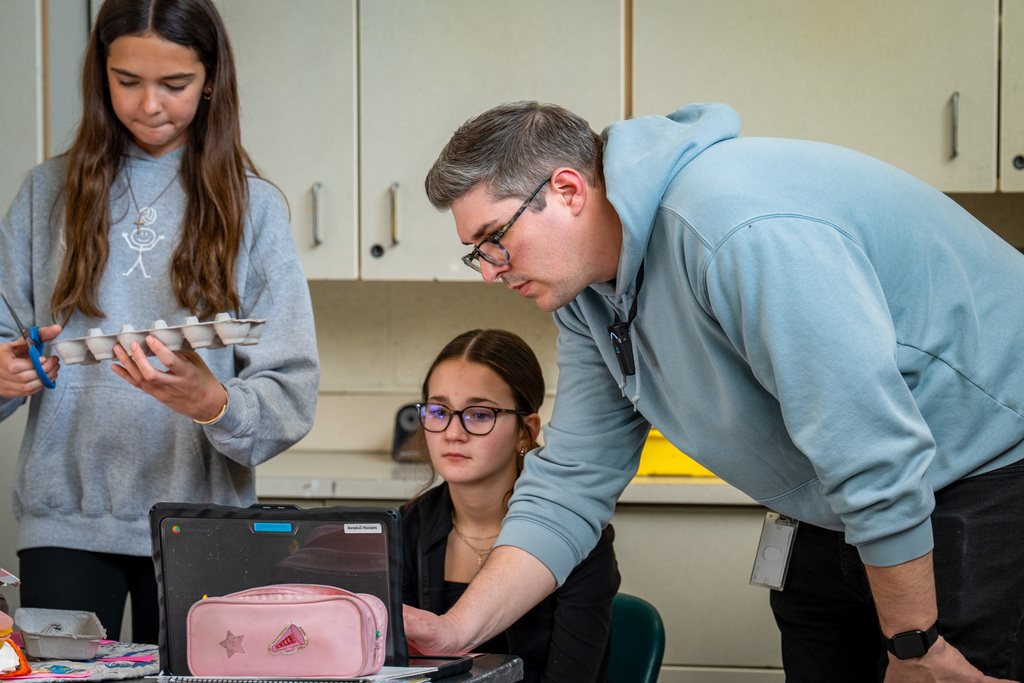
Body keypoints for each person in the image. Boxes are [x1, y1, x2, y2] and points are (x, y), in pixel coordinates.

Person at [403, 100, 1024, 683]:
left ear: (566, 191)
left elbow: (867, 446)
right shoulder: (586, 294)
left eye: (494, 238)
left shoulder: (735, 229)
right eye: (474, 253)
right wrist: (453, 630)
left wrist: (913, 644)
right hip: (841, 503)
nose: (488, 268)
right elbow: (571, 479)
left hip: (987, 471)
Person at [0, 0, 319, 644]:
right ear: (100, 77)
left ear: (211, 83)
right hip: (64, 523)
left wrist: (214, 402)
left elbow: (290, 391)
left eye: (175, 85)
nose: (150, 105)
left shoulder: (253, 208)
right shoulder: (44, 195)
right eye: (127, 82)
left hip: (203, 523)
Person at [400, 329, 619, 683]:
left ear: (525, 431)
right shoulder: (405, 530)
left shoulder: (581, 541)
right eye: (439, 411)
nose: (453, 432)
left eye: (480, 414)